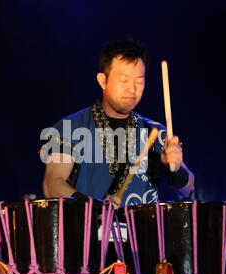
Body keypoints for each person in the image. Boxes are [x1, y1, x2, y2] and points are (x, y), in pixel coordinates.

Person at [40, 40, 194, 208]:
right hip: (89, 230)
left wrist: (175, 169)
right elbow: (52, 184)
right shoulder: (70, 127)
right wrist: (96, 206)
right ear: (103, 81)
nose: (133, 89)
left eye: (139, 81)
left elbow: (188, 189)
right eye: (124, 80)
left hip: (141, 232)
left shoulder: (156, 132)